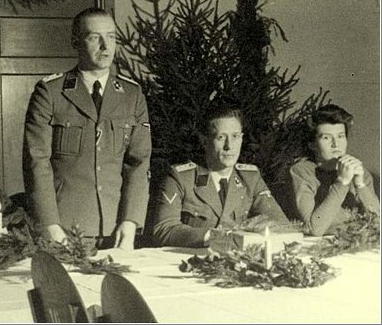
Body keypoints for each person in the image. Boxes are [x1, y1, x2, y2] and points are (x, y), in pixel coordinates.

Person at [23, 7, 152, 250]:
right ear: (76, 42)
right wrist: (50, 225)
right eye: (95, 37)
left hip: (117, 229)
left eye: (112, 36)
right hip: (65, 229)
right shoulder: (51, 92)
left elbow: (139, 162)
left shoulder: (132, 94)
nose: (106, 46)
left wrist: (131, 220)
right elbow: (36, 162)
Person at [153, 103, 289, 248]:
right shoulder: (182, 178)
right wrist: (215, 237)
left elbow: (281, 225)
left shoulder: (250, 178)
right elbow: (164, 229)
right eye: (221, 137)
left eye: (235, 136)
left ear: (242, 138)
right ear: (205, 141)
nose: (229, 146)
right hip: (188, 261)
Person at [289, 104, 380, 236]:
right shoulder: (302, 171)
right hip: (319, 248)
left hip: (357, 245)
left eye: (340, 136)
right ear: (312, 144)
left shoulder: (359, 171)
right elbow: (315, 229)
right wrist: (342, 182)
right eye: (326, 137)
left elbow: (378, 224)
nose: (335, 144)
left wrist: (360, 185)